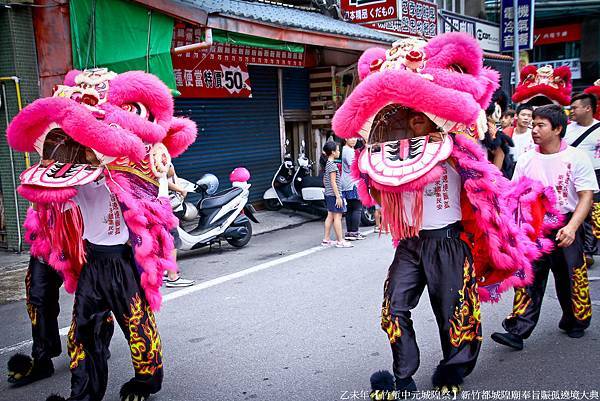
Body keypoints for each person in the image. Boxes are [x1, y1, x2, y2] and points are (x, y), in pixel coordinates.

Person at [491, 105, 596, 350]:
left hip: (566, 223)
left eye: (540, 125)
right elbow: (515, 195)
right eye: (533, 125)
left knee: (570, 276)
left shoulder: (577, 157)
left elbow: (586, 196)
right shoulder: (527, 159)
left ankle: (575, 320)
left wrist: (571, 227)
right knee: (528, 278)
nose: (534, 130)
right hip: (534, 227)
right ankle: (518, 330)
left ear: (558, 129)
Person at [564, 93, 600, 266]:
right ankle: (580, 246)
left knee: (593, 214)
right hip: (572, 175)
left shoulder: (598, 129)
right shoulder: (568, 130)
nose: (571, 111)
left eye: (574, 108)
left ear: (588, 108)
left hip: (597, 175)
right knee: (577, 211)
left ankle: (589, 250)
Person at [161, 163, 195, 288]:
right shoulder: (156, 153)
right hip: (165, 203)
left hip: (160, 204)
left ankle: (165, 270)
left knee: (164, 238)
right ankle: (172, 277)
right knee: (171, 239)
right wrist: (180, 189)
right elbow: (163, 177)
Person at [321, 141, 353, 248]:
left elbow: (325, 180)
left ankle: (326, 239)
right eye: (338, 150)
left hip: (329, 194)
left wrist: (328, 191)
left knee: (330, 216)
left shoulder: (327, 164)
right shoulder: (333, 165)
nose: (339, 152)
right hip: (334, 195)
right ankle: (340, 240)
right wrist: (338, 196)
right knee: (337, 217)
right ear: (333, 152)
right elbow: (333, 181)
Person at [341, 138, 365, 241]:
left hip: (346, 182)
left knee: (350, 208)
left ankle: (350, 232)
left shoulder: (343, 149)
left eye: (355, 137)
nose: (354, 140)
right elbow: (354, 166)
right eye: (351, 137)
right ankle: (354, 232)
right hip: (353, 182)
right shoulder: (350, 151)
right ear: (346, 138)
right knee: (357, 207)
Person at [507, 104, 535, 171]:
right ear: (516, 116)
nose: (526, 118)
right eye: (523, 115)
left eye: (529, 116)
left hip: (528, 169)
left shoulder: (534, 135)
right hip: (510, 169)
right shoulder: (507, 133)